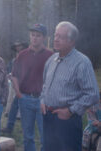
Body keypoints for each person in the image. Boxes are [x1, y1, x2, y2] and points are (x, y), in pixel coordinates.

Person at [40, 21, 99, 151]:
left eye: (61, 37)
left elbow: (92, 93)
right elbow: (44, 86)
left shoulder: (81, 62)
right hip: (48, 117)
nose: (56, 39)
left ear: (72, 41)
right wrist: (43, 100)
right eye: (55, 35)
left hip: (67, 121)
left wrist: (71, 110)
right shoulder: (51, 60)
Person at [10, 24, 52, 151]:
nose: (34, 38)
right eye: (32, 35)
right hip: (25, 99)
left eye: (38, 36)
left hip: (43, 101)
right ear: (29, 36)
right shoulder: (22, 55)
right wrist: (18, 94)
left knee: (45, 135)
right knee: (27, 136)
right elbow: (14, 75)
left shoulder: (50, 56)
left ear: (43, 37)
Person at [2, 41, 28, 134]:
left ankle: (25, 128)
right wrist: (10, 75)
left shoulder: (27, 58)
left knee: (25, 107)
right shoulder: (13, 60)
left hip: (24, 86)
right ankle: (9, 125)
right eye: (17, 46)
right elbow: (10, 70)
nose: (18, 48)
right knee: (13, 103)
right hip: (14, 83)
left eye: (20, 46)